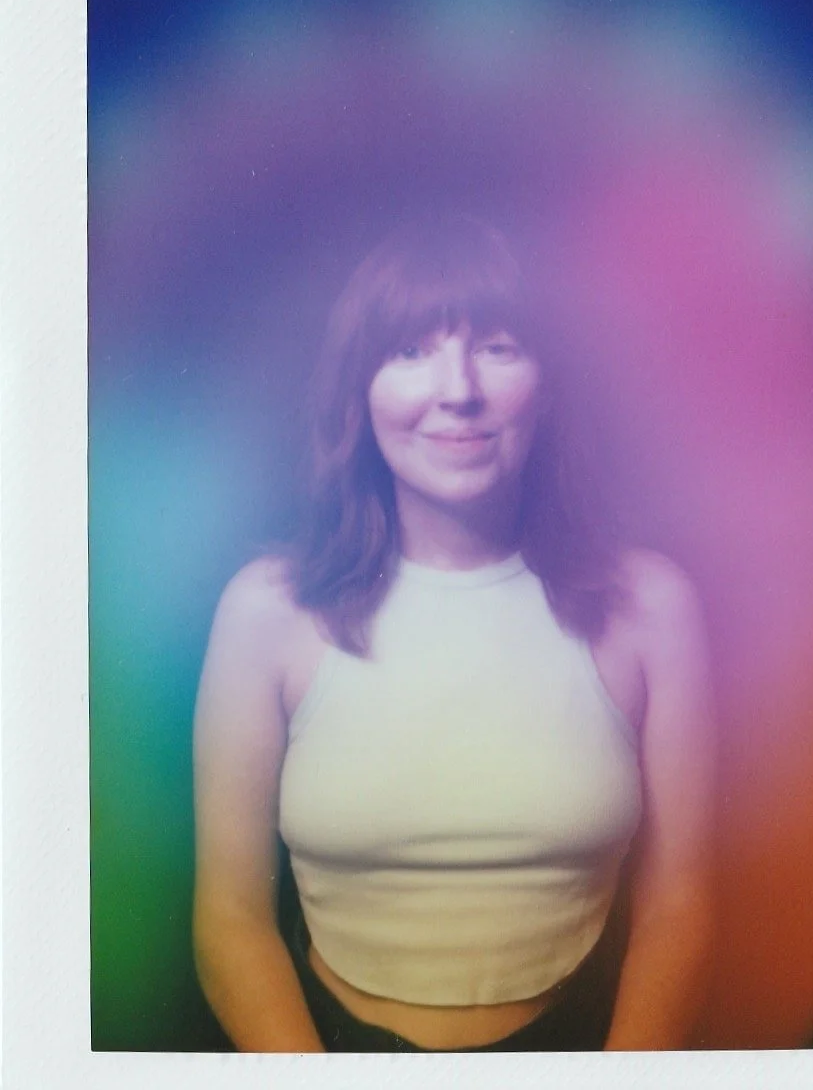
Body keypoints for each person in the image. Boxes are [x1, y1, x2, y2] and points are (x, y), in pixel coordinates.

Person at [192, 213, 715, 1051]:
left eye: (498, 345)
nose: (457, 387)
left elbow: (681, 908)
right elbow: (229, 919)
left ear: (547, 385)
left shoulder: (651, 607)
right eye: (410, 350)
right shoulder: (266, 612)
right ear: (359, 394)